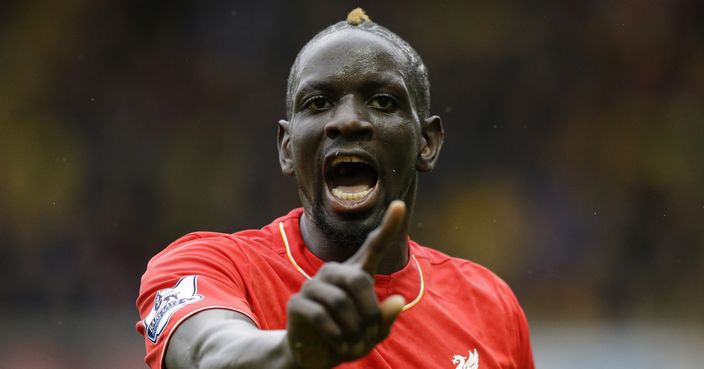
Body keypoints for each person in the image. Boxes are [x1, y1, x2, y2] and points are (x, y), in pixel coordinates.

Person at [136, 8, 534, 369]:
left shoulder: (489, 305)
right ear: (287, 148)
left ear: (426, 143)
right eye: (318, 102)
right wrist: (291, 352)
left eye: (382, 101)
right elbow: (209, 353)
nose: (347, 121)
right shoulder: (207, 267)